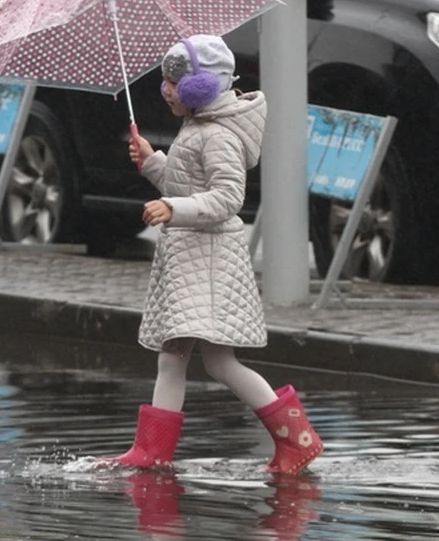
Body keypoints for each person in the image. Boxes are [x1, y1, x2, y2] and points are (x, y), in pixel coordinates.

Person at [113, 34, 323, 474]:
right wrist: (154, 163)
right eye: (165, 81)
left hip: (208, 259)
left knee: (213, 360)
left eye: (175, 82)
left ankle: (296, 441)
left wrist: (175, 209)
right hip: (191, 256)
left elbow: (227, 198)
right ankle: (154, 452)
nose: (166, 89)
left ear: (201, 87)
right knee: (182, 356)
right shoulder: (197, 128)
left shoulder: (218, 135)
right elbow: (185, 184)